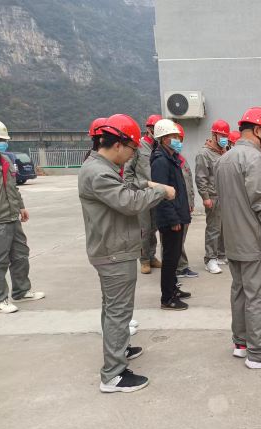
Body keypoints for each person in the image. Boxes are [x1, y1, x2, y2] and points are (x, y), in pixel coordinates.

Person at [78, 114, 174, 393]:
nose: (133, 154)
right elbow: (129, 202)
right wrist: (161, 192)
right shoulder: (98, 172)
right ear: (118, 144)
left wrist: (147, 185)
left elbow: (125, 188)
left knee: (113, 309)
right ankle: (113, 374)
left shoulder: (101, 167)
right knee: (118, 312)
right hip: (113, 251)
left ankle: (119, 349)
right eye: (132, 149)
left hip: (112, 248)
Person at [216, 107, 261, 369]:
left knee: (240, 292)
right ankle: (259, 353)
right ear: (259, 131)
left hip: (233, 241)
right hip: (255, 242)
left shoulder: (224, 159)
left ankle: (242, 343)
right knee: (259, 296)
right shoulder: (255, 159)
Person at [0, 119, 45, 314]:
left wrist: (21, 206)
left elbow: (13, 187)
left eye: (4, 139)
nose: (2, 143)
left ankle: (21, 291)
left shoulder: (6, 160)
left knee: (20, 256)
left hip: (12, 217)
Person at [150, 119, 192, 310]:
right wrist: (173, 218)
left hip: (177, 215)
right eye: (174, 137)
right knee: (169, 259)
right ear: (164, 138)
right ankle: (167, 298)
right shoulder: (161, 161)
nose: (177, 140)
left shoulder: (171, 158)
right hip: (170, 219)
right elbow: (161, 194)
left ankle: (173, 288)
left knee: (174, 258)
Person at [124, 114, 163, 275]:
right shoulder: (138, 147)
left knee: (154, 227)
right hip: (141, 193)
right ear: (148, 129)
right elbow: (128, 172)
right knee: (144, 229)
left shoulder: (159, 147)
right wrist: (133, 189)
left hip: (156, 194)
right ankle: (144, 260)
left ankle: (152, 256)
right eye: (155, 129)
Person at [195, 119, 229, 274]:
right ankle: (210, 259)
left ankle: (221, 254)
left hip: (225, 196)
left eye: (226, 136)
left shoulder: (224, 152)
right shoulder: (204, 154)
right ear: (214, 135)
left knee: (223, 228)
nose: (224, 139)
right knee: (213, 229)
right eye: (222, 136)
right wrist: (205, 197)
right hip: (213, 196)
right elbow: (201, 177)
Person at [175, 121, 198, 279]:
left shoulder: (181, 159)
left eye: (180, 139)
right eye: (175, 139)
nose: (178, 142)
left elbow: (189, 183)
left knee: (180, 240)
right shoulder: (164, 160)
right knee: (172, 241)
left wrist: (191, 203)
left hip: (185, 206)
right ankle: (175, 269)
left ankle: (181, 266)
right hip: (175, 207)